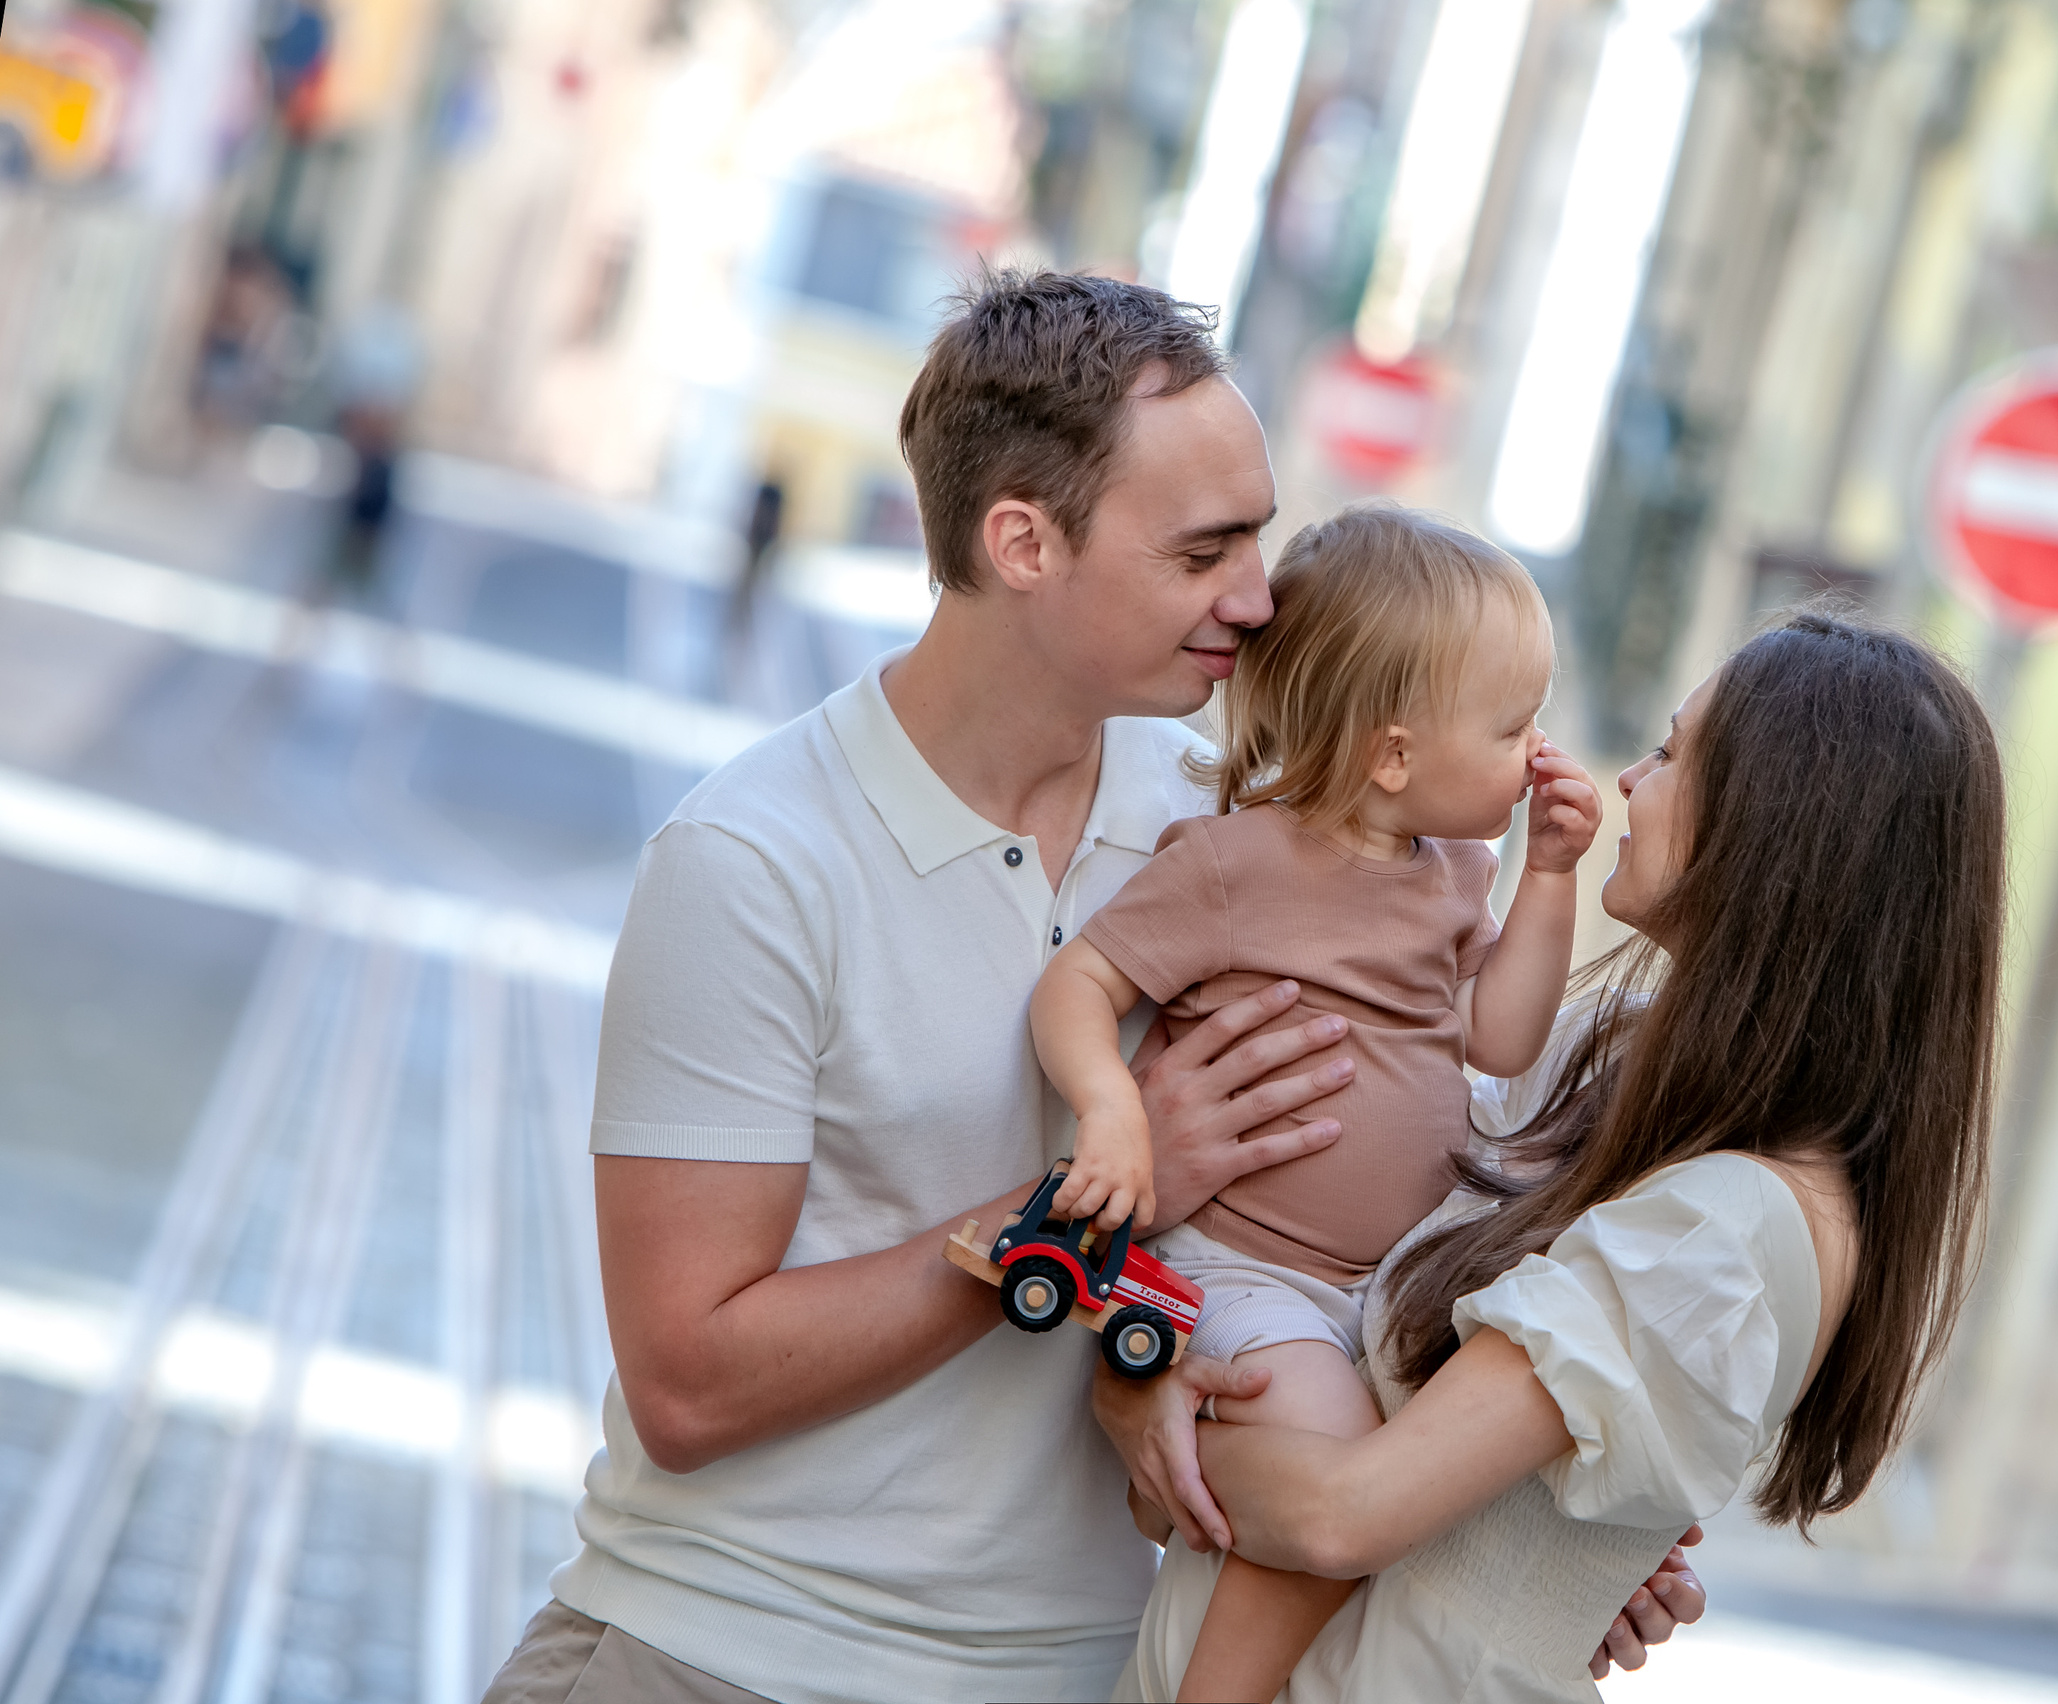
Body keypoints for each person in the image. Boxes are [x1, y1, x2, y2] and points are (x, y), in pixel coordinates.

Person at [480, 269, 1694, 1704]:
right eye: (1204, 553)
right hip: (725, 1658)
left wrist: (1525, 1525)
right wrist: (1085, 1210)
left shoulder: (1248, 822)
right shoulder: (753, 862)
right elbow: (689, 1384)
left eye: (1262, 537)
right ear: (1023, 543)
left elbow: (1344, 1229)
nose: (1258, 599)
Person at [1099, 609, 2008, 1702]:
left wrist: (1135, 1401)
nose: (1629, 778)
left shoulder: (1723, 1235)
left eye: (1674, 755)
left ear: (1782, 829)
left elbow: (1336, 1512)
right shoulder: (1608, 1064)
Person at [1028, 505, 1600, 1700]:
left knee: (1437, 1481)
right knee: (1347, 1473)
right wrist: (1113, 1113)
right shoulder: (1237, 865)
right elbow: (1077, 984)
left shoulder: (1455, 873)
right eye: (1510, 725)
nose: (1535, 750)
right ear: (1393, 754)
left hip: (1380, 1285)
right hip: (1244, 1272)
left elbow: (1499, 1029)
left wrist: (1548, 879)